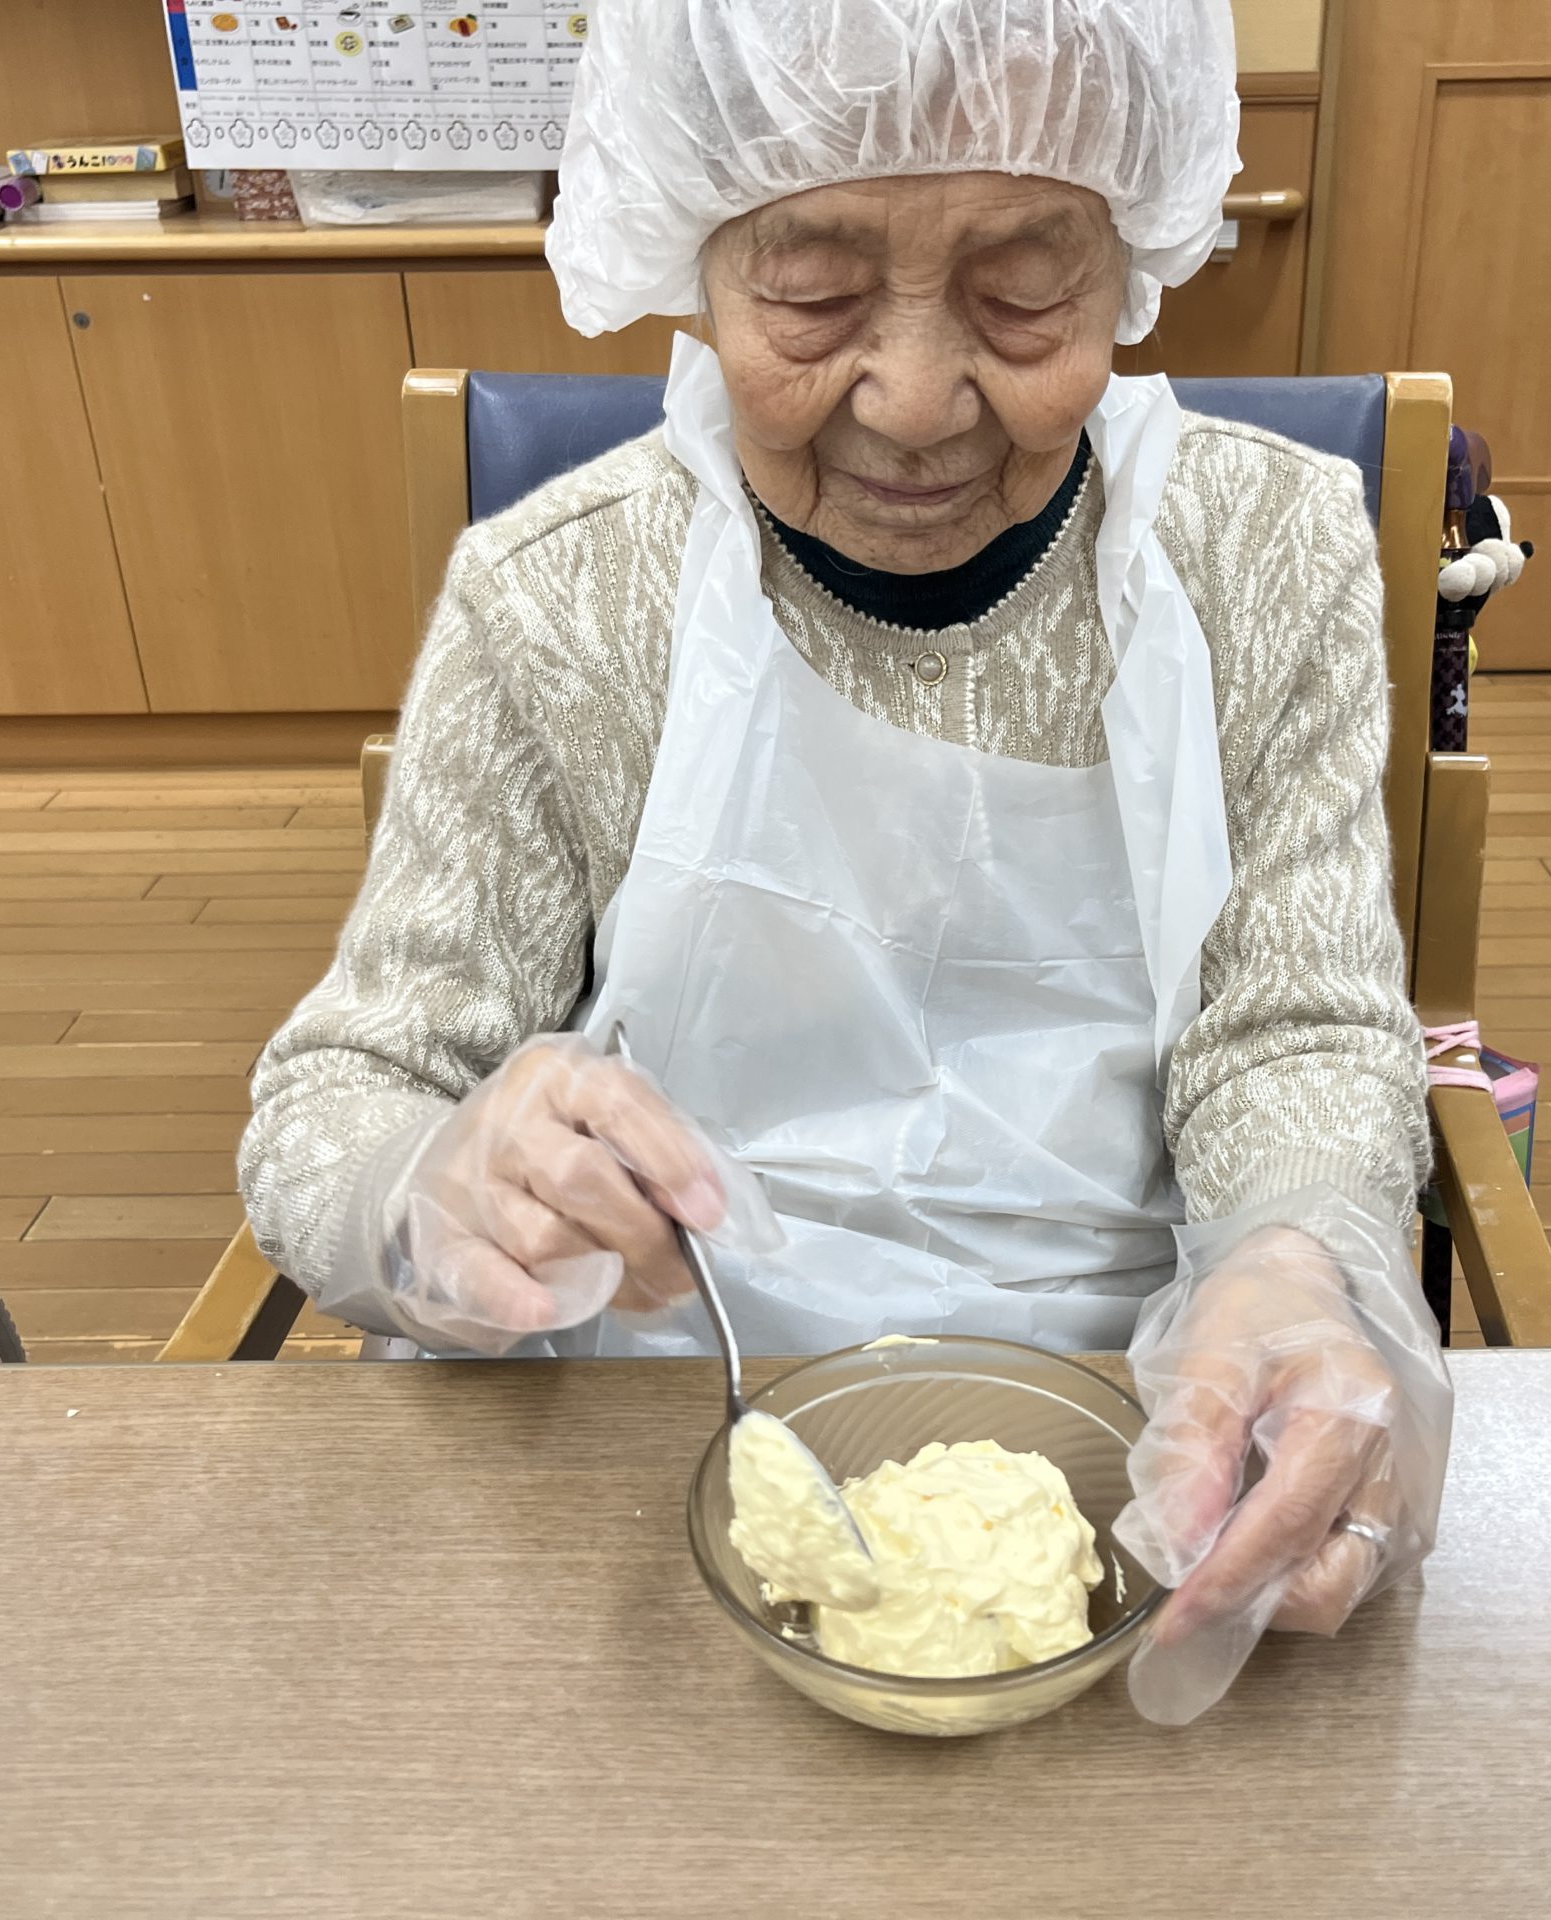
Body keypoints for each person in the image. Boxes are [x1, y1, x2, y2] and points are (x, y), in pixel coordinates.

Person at [237, 0, 1452, 1724]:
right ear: (697, 258)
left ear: (1130, 261)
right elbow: (339, 1098)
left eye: (1023, 293)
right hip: (654, 1437)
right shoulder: (562, 595)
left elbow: (1297, 1030)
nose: (916, 398)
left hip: (1148, 1438)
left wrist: (1295, 1259)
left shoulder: (1263, 552)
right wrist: (431, 1187)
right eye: (810, 295)